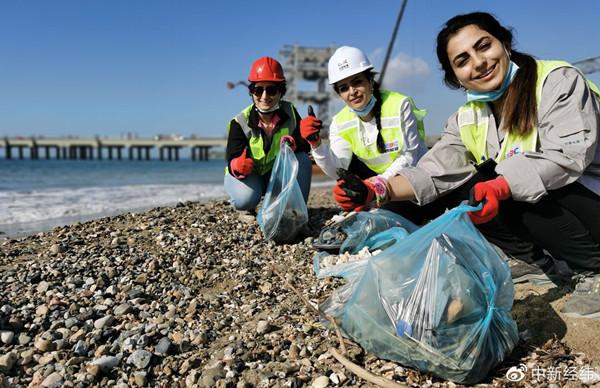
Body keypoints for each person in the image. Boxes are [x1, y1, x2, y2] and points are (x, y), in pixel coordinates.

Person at [332, 12, 600, 318]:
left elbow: (569, 156)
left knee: (508, 182)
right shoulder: (469, 116)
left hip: (590, 194)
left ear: (505, 43)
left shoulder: (556, 82)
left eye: (484, 46)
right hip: (561, 208)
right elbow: (434, 171)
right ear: (455, 76)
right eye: (462, 60)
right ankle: (536, 262)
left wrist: (502, 185)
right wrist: (376, 190)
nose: (478, 62)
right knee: (465, 189)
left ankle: (594, 269)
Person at [299, 46, 432, 223]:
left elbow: (409, 158)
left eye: (357, 82)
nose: (352, 91)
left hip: (413, 178)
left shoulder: (400, 105)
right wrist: (316, 144)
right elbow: (337, 168)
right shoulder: (340, 122)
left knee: (397, 216)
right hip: (380, 182)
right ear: (339, 94)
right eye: (344, 87)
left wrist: (374, 187)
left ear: (370, 80)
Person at [225, 57, 312, 216]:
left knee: (303, 159)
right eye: (259, 90)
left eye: (271, 90)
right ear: (252, 92)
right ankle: (245, 208)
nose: (264, 96)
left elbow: (304, 144)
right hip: (251, 176)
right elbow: (231, 156)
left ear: (281, 92)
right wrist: (237, 165)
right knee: (245, 199)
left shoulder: (291, 112)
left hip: (276, 176)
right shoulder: (239, 122)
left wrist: (299, 141)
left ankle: (297, 211)